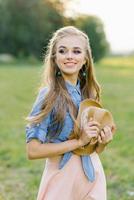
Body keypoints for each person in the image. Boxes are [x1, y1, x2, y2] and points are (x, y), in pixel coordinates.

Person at [26, 26, 114, 200]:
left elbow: (90, 147)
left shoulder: (88, 93)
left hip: (92, 176)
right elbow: (33, 151)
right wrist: (78, 141)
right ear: (54, 58)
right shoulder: (48, 95)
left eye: (76, 51)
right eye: (62, 51)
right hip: (62, 179)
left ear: (85, 59)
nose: (69, 56)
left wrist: (103, 141)